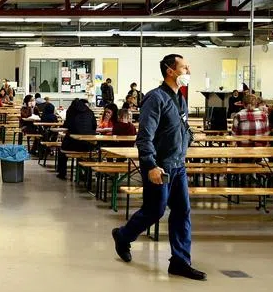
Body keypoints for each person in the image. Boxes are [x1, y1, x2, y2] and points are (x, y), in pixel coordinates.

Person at [111, 54, 202, 280]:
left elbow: (177, 127)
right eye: (184, 67)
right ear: (170, 71)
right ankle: (123, 236)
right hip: (159, 167)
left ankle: (180, 261)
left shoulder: (180, 98)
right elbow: (144, 137)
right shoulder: (155, 98)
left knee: (182, 212)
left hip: (178, 165)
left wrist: (189, 137)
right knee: (156, 210)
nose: (188, 70)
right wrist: (150, 165)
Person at [57, 98, 97, 180]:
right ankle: (86, 174)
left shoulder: (71, 112)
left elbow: (67, 125)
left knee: (61, 151)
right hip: (88, 145)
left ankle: (62, 173)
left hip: (73, 144)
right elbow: (94, 126)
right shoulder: (90, 112)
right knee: (86, 154)